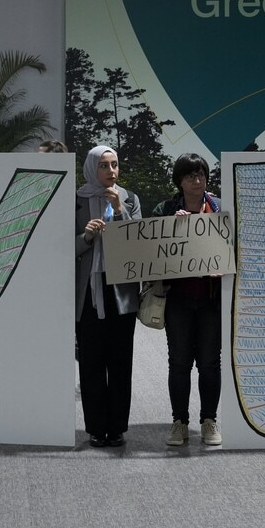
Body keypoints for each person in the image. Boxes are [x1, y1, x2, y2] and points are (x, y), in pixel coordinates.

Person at [151, 153, 224, 446]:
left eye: (202, 175)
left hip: (210, 300)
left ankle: (209, 421)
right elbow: (151, 249)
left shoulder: (218, 208)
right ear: (179, 180)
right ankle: (179, 422)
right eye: (191, 176)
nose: (198, 181)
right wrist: (171, 226)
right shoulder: (166, 208)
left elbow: (231, 245)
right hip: (178, 300)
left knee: (209, 363)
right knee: (179, 363)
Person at [75, 145, 141, 448]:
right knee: (91, 362)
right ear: (92, 168)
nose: (111, 171)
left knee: (119, 361)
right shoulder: (76, 200)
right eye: (104, 166)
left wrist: (122, 211)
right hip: (87, 291)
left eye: (114, 165)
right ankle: (95, 428)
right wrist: (86, 237)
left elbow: (139, 242)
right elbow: (63, 246)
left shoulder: (130, 199)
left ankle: (116, 427)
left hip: (120, 291)